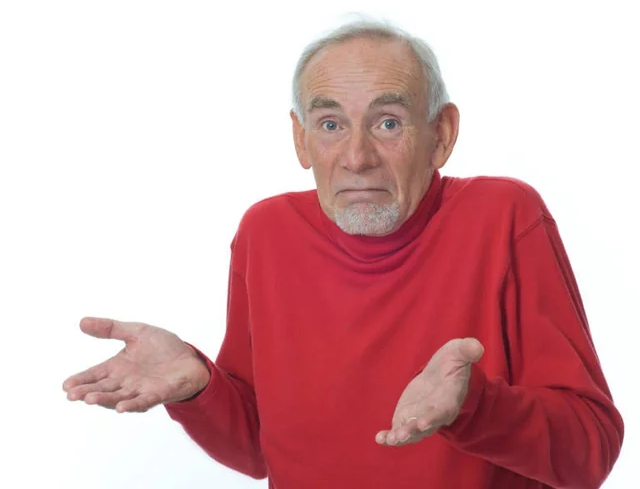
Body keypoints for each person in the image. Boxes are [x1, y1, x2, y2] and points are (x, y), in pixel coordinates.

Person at [62, 17, 624, 489]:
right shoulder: (266, 232)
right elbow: (259, 447)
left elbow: (590, 453)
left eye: (388, 123)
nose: (357, 157)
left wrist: (474, 405)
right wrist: (200, 387)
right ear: (301, 138)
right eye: (330, 124)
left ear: (442, 135)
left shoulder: (504, 216)